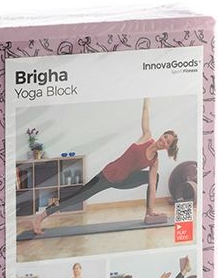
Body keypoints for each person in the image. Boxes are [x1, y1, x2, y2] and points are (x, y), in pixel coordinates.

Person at [31, 98, 179, 234]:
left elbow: (152, 188)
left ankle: (149, 212)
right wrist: (147, 96)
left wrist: (151, 209)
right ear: (162, 135)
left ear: (167, 148)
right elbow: (145, 111)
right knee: (77, 197)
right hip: (107, 175)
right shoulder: (147, 136)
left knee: (154, 177)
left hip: (124, 180)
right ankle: (41, 216)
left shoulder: (155, 161)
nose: (164, 141)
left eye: (168, 142)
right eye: (165, 137)